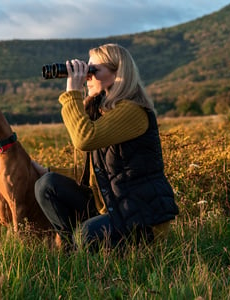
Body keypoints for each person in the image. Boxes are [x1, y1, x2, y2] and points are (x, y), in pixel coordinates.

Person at [33, 43, 179, 251]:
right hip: (113, 208)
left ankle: (83, 247)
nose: (87, 77)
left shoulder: (132, 111)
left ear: (118, 73)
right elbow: (92, 174)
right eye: (86, 71)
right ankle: (71, 251)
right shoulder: (100, 112)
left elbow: (84, 139)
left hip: (140, 218)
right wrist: (46, 171)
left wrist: (72, 92)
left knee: (85, 234)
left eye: (93, 71)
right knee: (46, 184)